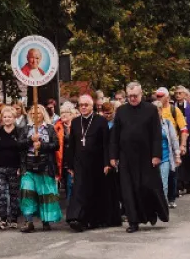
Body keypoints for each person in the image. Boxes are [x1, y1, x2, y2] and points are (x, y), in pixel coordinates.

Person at [109, 82, 169, 233]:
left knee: (146, 187)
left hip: (146, 157)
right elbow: (115, 135)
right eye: (130, 96)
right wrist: (113, 156)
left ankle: (152, 212)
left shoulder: (151, 109)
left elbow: (156, 134)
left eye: (135, 96)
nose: (133, 99)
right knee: (128, 191)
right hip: (126, 157)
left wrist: (156, 155)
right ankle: (133, 222)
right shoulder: (121, 111)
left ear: (141, 94)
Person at [65, 95, 120, 231]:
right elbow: (71, 144)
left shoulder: (100, 121)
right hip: (79, 162)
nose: (83, 107)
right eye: (81, 105)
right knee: (79, 190)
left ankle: (91, 220)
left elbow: (106, 143)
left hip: (97, 161)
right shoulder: (76, 122)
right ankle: (75, 218)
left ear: (92, 106)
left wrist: (107, 162)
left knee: (93, 191)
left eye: (86, 105)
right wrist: (70, 165)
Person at [19, 104, 62, 232]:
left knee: (45, 194)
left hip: (45, 166)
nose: (35, 116)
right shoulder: (25, 129)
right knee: (27, 192)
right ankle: (28, 221)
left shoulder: (49, 128)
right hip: (28, 165)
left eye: (38, 113)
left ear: (43, 114)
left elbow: (56, 145)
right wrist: (30, 140)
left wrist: (42, 145)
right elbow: (19, 145)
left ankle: (46, 221)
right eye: (32, 114)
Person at [0, 106, 27, 230]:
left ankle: (14, 219)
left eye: (9, 117)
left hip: (14, 167)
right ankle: (3, 218)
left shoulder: (20, 131)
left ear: (14, 118)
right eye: (5, 117)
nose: (7, 119)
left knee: (14, 194)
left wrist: (21, 167)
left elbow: (23, 150)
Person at [154, 100, 181, 208]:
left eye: (156, 111)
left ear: (161, 111)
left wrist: (177, 156)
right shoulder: (148, 125)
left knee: (163, 183)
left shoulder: (167, 123)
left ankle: (162, 206)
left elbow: (174, 140)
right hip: (151, 158)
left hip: (165, 157)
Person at [55, 102, 76, 199]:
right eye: (61, 112)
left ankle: (72, 208)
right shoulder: (57, 126)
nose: (62, 114)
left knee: (70, 185)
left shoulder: (77, 126)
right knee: (67, 186)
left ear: (71, 114)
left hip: (73, 160)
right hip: (61, 161)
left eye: (65, 112)